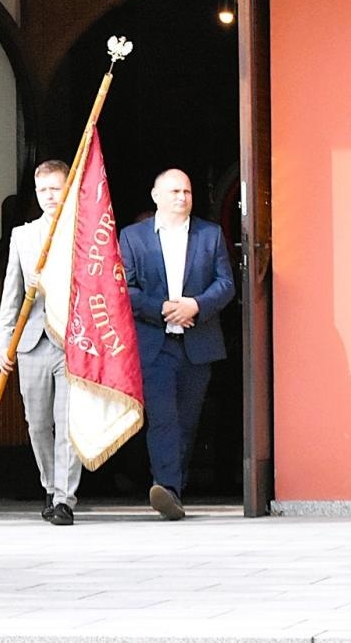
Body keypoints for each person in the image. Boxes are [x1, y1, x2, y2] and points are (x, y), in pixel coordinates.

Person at [119, 168, 236, 521]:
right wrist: (163, 309)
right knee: (163, 418)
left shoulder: (210, 235)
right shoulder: (133, 237)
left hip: (197, 343)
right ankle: (167, 487)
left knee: (188, 419)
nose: (182, 197)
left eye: (186, 191)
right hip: (155, 343)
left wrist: (196, 306)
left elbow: (226, 284)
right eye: (174, 191)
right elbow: (124, 287)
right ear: (156, 196)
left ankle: (175, 486)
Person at [0, 159, 82, 525]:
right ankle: (49, 484)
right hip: (31, 340)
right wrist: (4, 342)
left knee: (67, 422)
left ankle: (65, 498)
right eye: (43, 190)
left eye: (56, 188)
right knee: (36, 422)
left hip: (71, 341)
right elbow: (10, 295)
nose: (50, 196)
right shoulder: (23, 236)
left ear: (68, 189)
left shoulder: (84, 233)